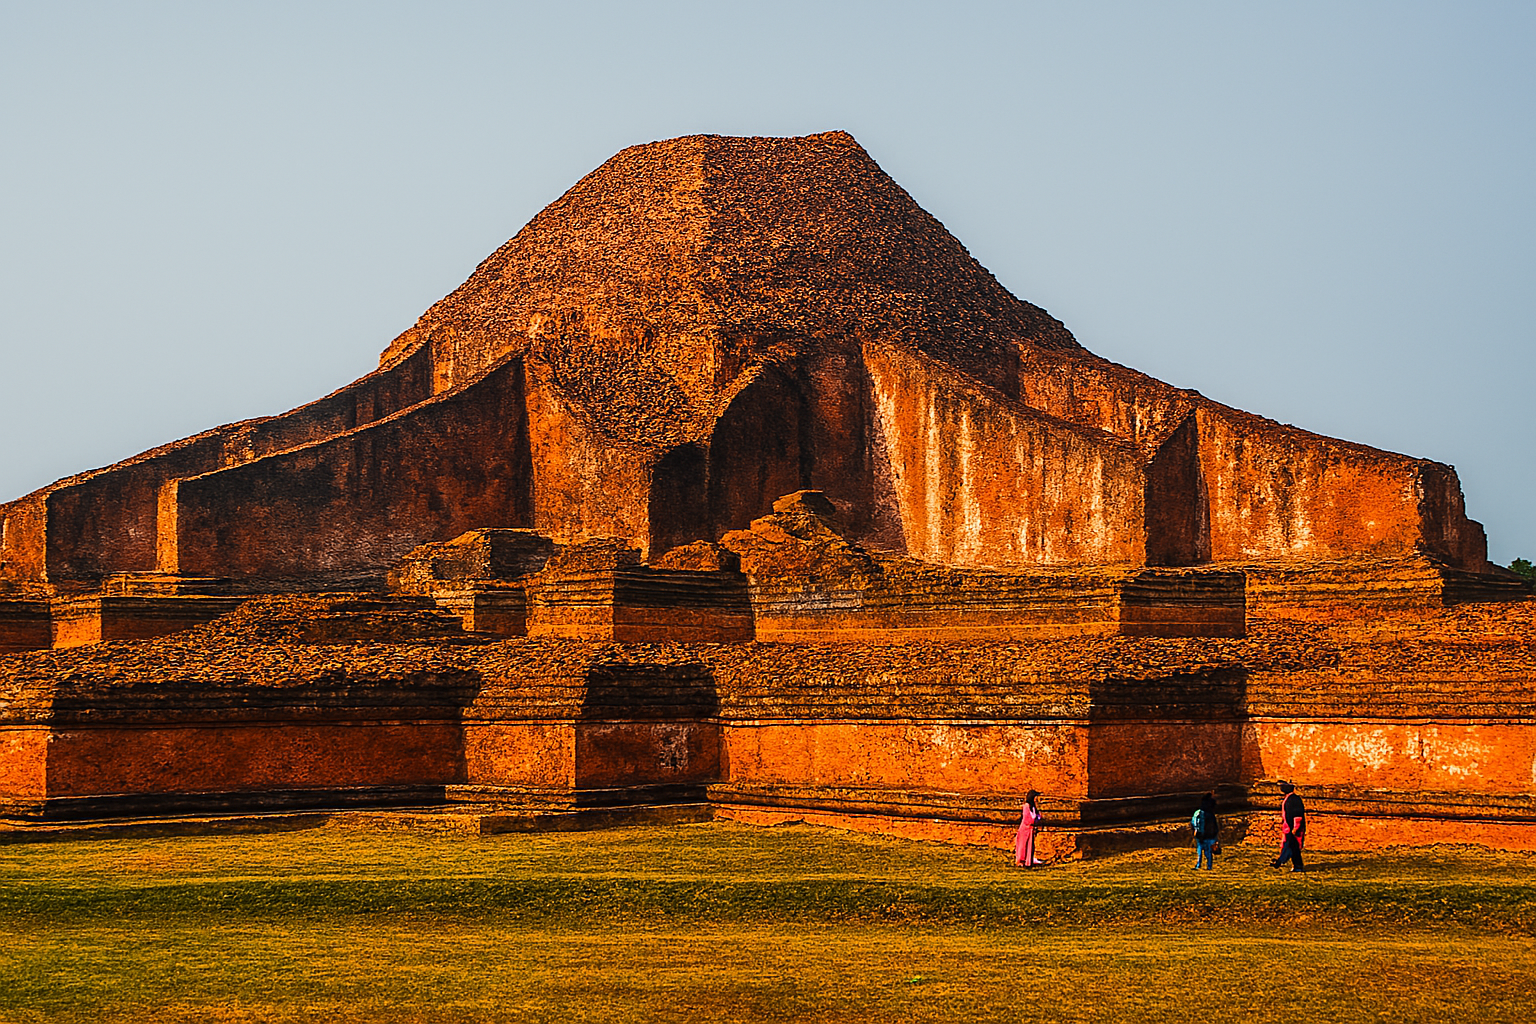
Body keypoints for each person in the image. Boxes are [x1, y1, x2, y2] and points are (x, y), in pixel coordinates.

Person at [1271, 781, 1306, 872]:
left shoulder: (1294, 799)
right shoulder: (1289, 798)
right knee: (1291, 847)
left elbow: (1297, 814)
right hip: (1289, 827)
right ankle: (1285, 862)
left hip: (1293, 828)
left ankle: (1283, 862)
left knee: (1292, 847)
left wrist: (1295, 827)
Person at [1191, 792, 1219, 870]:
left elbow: (1195, 822)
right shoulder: (1210, 814)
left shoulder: (1199, 813)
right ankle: (1208, 866)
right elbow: (1214, 825)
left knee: (1200, 851)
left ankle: (1198, 865)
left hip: (1201, 834)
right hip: (1209, 835)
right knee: (1208, 852)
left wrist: (1196, 830)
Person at [1015, 790, 1043, 867]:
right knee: (1023, 845)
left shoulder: (1033, 807)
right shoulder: (1026, 806)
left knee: (1030, 845)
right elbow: (1028, 819)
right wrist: (1035, 820)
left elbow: (1037, 817)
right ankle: (1021, 860)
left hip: (1030, 829)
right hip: (1025, 829)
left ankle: (1028, 860)